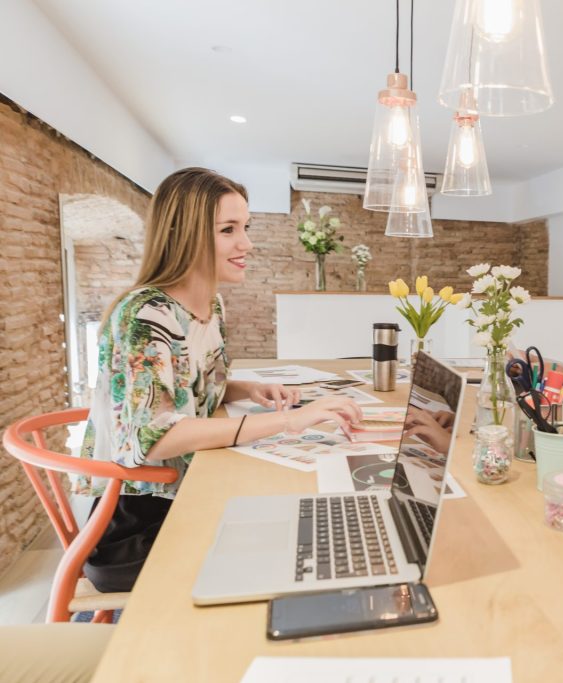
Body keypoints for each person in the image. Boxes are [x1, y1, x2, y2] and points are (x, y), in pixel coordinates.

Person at [73, 167, 362, 591]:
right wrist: (290, 420)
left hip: (186, 490)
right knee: (297, 546)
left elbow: (186, 386)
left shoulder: (211, 306)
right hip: (134, 523)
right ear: (183, 233)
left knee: (308, 522)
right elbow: (152, 438)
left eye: (245, 227)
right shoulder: (146, 316)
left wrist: (246, 388)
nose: (246, 243)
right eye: (228, 230)